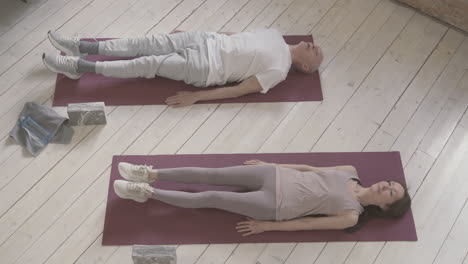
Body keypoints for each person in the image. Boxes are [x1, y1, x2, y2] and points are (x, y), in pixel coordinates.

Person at [113, 159, 411, 236]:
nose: (386, 186)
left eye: (391, 192)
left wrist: (267, 227)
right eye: (390, 183)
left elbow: (307, 225)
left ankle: (146, 194)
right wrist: (270, 164)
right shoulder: (350, 170)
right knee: (210, 174)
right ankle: (150, 174)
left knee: (212, 196)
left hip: (275, 206)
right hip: (274, 175)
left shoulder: (351, 215)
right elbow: (309, 168)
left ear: (384, 206)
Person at [42, 29, 323, 107]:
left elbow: (241, 90)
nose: (315, 46)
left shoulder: (280, 71)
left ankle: (80, 67)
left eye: (317, 53)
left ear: (307, 67)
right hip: (205, 39)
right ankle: (85, 47)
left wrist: (197, 97)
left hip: (206, 67)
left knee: (146, 63)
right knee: (146, 42)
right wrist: (193, 33)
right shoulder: (276, 35)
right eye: (316, 45)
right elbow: (236, 35)